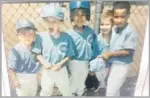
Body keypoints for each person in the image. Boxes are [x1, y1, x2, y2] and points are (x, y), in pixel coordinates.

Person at [32, 4, 76, 96]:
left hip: (61, 69)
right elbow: (37, 53)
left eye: (54, 21)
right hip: (47, 69)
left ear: (60, 22)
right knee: (46, 90)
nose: (51, 24)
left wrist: (60, 64)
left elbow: (70, 55)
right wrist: (44, 62)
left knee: (66, 89)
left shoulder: (66, 37)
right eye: (48, 21)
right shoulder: (41, 37)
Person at [99, 1, 138, 96]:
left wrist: (110, 54)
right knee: (114, 89)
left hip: (122, 65)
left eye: (123, 17)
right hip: (113, 63)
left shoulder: (130, 31)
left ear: (128, 16)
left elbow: (128, 51)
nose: (119, 20)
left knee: (110, 91)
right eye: (116, 17)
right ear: (113, 16)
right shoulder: (114, 29)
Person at [68, 1, 100, 96]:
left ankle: (80, 93)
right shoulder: (69, 34)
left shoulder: (90, 31)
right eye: (76, 15)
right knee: (74, 79)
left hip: (86, 62)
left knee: (82, 80)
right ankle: (72, 93)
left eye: (83, 15)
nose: (79, 18)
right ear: (71, 16)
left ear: (87, 16)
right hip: (73, 61)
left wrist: (93, 62)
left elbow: (95, 47)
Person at [7, 19, 40, 96]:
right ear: (18, 36)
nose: (27, 37)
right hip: (21, 77)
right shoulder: (16, 49)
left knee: (33, 93)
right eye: (23, 34)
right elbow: (11, 68)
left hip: (33, 76)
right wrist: (15, 80)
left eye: (30, 34)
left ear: (34, 35)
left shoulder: (36, 47)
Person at [89, 10, 114, 92]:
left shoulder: (115, 38)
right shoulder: (98, 38)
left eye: (107, 24)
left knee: (111, 76)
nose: (104, 27)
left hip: (112, 62)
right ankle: (101, 83)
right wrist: (100, 56)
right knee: (98, 69)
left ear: (113, 25)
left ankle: (107, 84)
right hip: (102, 63)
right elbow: (95, 52)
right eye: (102, 24)